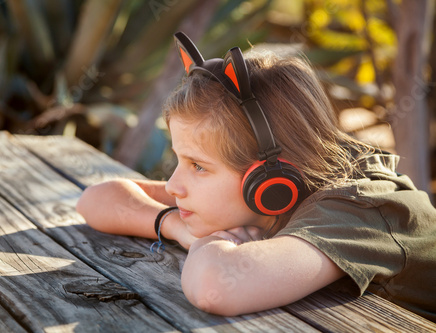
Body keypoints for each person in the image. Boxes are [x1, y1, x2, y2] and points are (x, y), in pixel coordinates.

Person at [76, 32, 436, 320]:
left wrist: (206, 244)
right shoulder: (276, 185)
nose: (173, 186)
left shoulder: (356, 211)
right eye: (179, 161)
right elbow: (95, 200)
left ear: (269, 184)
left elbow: (213, 286)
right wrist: (176, 227)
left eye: (197, 166)